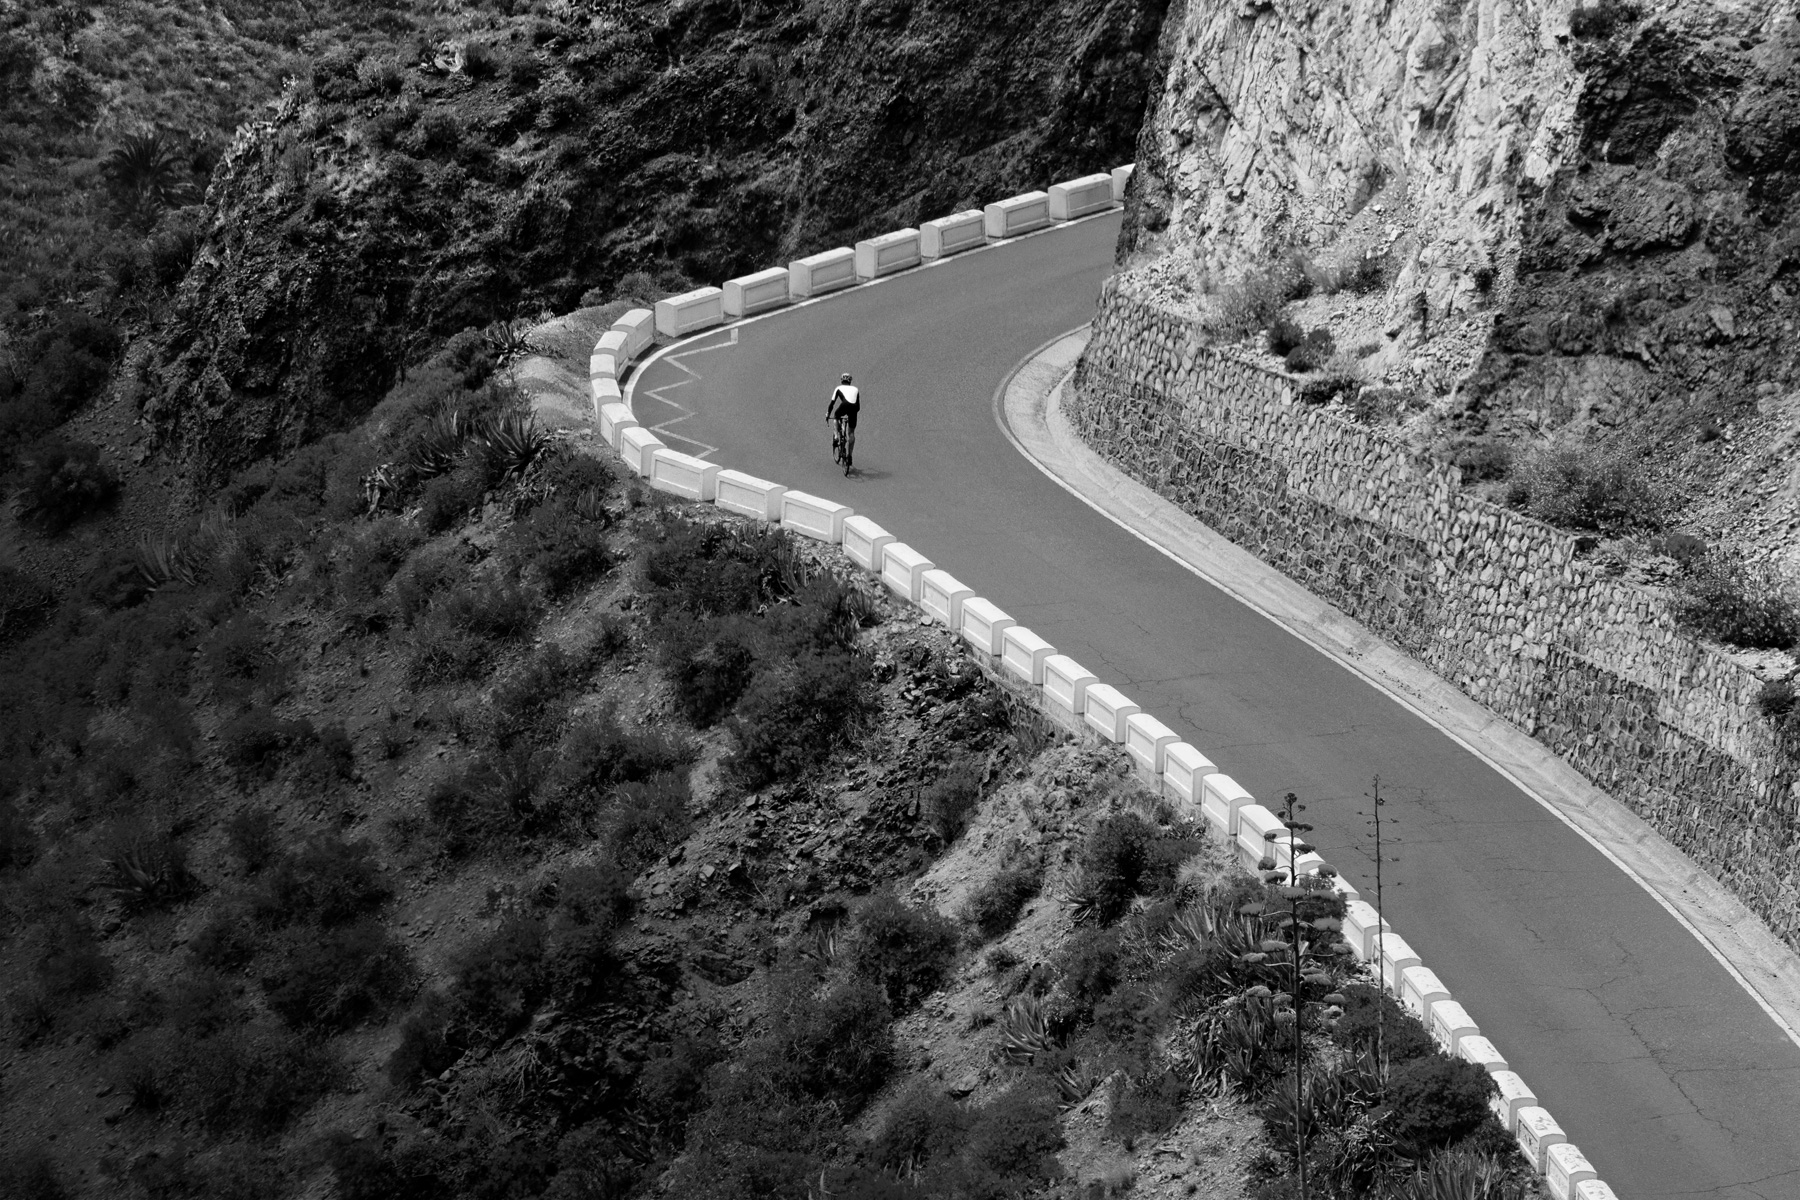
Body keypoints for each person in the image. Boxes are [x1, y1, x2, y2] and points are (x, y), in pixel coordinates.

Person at [827, 373, 860, 473]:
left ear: (842, 380)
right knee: (851, 432)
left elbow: (832, 403)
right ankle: (849, 456)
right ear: (850, 381)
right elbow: (858, 405)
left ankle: (837, 436)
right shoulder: (856, 389)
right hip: (855, 408)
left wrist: (828, 414)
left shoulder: (838, 388)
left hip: (845, 405)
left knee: (836, 416)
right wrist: (851, 415)